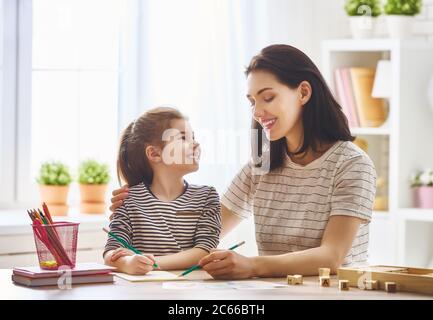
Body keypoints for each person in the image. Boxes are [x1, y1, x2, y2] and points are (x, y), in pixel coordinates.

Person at [109, 44, 376, 279]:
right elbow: (197, 235)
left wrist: (251, 266)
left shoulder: (351, 164)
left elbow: (332, 256)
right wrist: (142, 207)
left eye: (268, 97)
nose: (258, 112)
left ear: (303, 93)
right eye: (252, 101)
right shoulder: (261, 166)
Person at [104, 106, 221, 275]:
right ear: (154, 153)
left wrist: (153, 263)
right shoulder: (129, 200)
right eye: (183, 138)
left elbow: (205, 249)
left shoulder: (206, 197)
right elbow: (112, 252)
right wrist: (128, 263)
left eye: (193, 137)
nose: (195, 143)